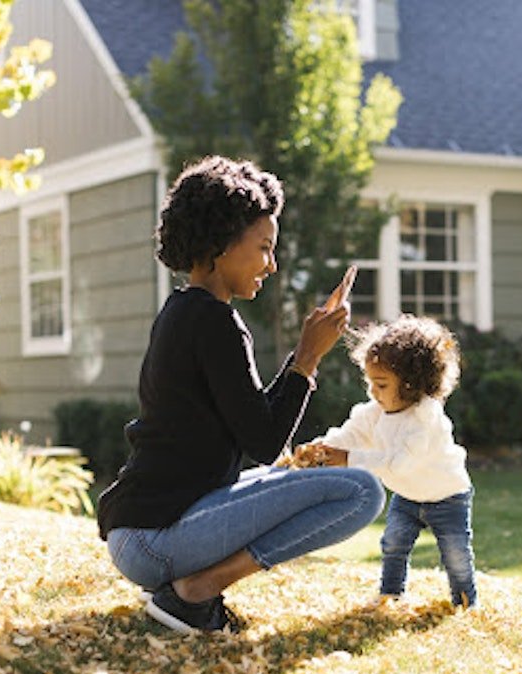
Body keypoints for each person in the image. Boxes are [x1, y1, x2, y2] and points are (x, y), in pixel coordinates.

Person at [96, 155, 385, 634]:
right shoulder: (215, 322)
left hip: (145, 531)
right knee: (362, 491)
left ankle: (188, 589)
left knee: (313, 476)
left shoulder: (184, 311)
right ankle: (197, 592)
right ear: (221, 243)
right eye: (264, 248)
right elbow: (266, 442)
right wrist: (307, 358)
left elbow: (251, 426)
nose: (271, 265)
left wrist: (301, 358)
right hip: (156, 538)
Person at [292, 315, 476, 608]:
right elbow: (350, 435)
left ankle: (465, 602)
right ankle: (391, 594)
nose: (372, 392)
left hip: (447, 496)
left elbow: (398, 463)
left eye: (381, 384)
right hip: (407, 496)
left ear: (411, 385)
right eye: (370, 382)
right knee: (393, 545)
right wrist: (325, 448)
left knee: (455, 554)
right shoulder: (374, 411)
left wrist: (348, 459)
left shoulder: (425, 420)